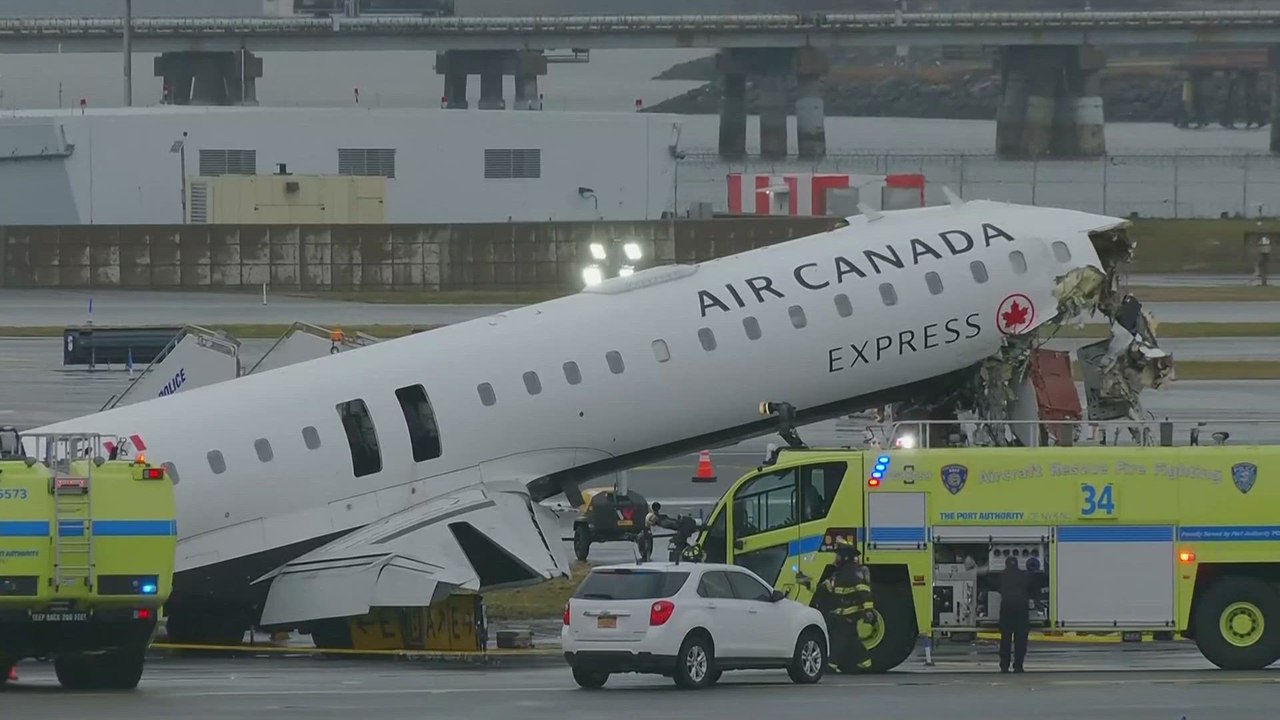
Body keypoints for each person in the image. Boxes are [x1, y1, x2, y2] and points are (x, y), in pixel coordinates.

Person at [817, 537, 876, 672]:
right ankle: (866, 664)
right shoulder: (841, 573)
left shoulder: (853, 573)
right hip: (842, 613)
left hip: (848, 613)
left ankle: (831, 665)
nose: (836, 558)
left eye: (838, 555)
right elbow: (827, 587)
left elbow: (864, 592)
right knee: (851, 640)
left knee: (839, 640)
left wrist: (868, 611)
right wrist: (808, 583)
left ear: (844, 557)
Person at [995, 554, 1033, 673]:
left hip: (1007, 609)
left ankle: (1004, 665)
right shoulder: (1024, 576)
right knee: (1020, 640)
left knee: (1005, 639)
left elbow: (995, 587)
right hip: (1021, 610)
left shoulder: (1001, 576)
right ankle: (1018, 665)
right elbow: (1032, 589)